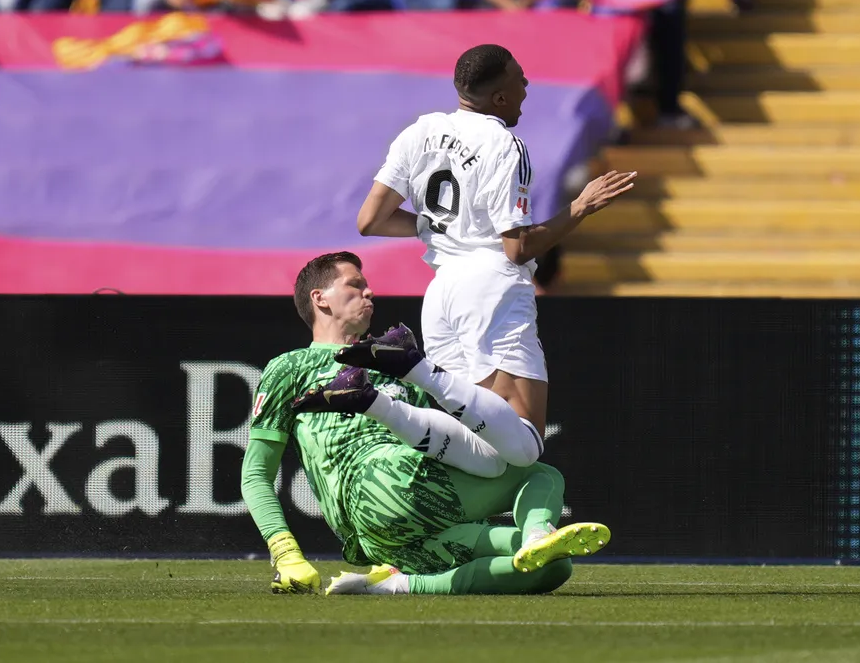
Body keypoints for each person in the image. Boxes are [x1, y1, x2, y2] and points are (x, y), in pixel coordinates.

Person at [240, 251, 610, 595]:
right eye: (355, 284)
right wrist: (285, 551)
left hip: (386, 537)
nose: (369, 291)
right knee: (540, 474)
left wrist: (289, 558)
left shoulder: (392, 367)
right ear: (320, 298)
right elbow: (256, 473)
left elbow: (438, 451)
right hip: (381, 489)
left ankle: (395, 584)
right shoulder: (291, 367)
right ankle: (536, 532)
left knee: (551, 567)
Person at [355, 43, 636, 466]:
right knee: (526, 444)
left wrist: (442, 227)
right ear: (500, 98)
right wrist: (580, 208)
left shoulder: (420, 131)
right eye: (520, 78)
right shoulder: (505, 145)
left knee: (486, 455)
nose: (527, 84)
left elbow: (371, 219)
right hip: (491, 289)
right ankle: (411, 372)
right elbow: (518, 248)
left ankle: (380, 400)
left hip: (441, 293)